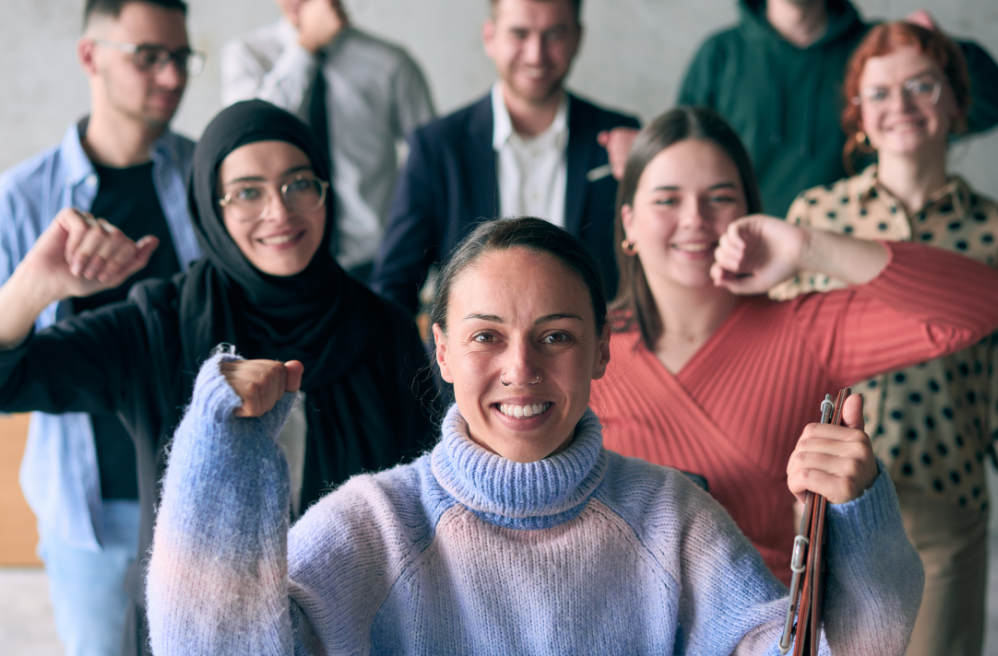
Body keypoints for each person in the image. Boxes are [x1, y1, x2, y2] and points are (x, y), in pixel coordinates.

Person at [147, 216, 924, 654]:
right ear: (442, 351)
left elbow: (843, 652)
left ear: (599, 350)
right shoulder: (374, 524)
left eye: (555, 337)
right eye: (486, 337)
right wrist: (223, 453)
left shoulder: (673, 520)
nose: (520, 369)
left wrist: (858, 519)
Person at [0, 100, 435, 656]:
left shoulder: (384, 329)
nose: (279, 211)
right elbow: (10, 379)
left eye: (299, 184)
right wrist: (36, 288)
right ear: (211, 206)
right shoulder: (161, 321)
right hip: (191, 635)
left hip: (353, 631)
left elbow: (424, 494)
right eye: (248, 191)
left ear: (326, 191)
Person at [586, 106, 998, 586]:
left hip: (766, 629)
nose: (695, 219)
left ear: (748, 213)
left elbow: (982, 304)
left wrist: (807, 247)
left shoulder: (804, 329)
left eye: (719, 198)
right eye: (667, 200)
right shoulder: (581, 346)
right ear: (629, 222)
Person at [770, 22, 998, 656]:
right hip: (826, 497)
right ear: (859, 117)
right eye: (879, 92)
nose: (898, 105)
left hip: (944, 501)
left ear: (956, 101)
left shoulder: (992, 232)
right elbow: (780, 358)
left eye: (920, 85)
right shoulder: (816, 216)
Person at [0, 1, 202, 653]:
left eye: (180, 57)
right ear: (90, 56)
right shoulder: (22, 198)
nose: (171, 77)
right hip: (91, 516)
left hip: (205, 501)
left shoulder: (214, 179)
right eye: (149, 57)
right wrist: (38, 288)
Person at [598, 0, 998, 218]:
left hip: (861, 249)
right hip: (742, 260)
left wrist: (938, 45)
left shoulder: (876, 52)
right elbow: (688, 162)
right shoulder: (721, 54)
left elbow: (985, 103)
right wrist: (650, 154)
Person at [370, 0, 639, 312]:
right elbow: (392, 288)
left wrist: (654, 170)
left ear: (577, 38)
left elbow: (650, 270)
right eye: (519, 34)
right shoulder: (436, 146)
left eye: (554, 34)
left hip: (599, 357)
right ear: (490, 37)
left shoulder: (622, 135)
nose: (536, 54)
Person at [220, 0, 435, 281]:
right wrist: (305, 47)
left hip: (375, 265)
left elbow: (432, 162)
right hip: (280, 257)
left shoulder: (390, 64)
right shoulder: (247, 56)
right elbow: (249, 133)